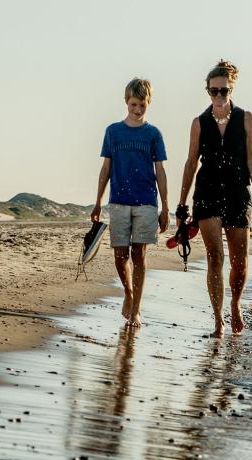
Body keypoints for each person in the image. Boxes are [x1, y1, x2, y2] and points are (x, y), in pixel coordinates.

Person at [177, 60, 252, 338]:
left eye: (223, 91)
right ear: (207, 91)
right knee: (215, 257)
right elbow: (191, 162)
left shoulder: (246, 118)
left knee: (240, 260)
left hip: (239, 190)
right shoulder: (199, 123)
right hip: (208, 191)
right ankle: (218, 319)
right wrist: (181, 203)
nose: (218, 96)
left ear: (231, 89)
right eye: (213, 91)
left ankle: (235, 304)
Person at [91, 78, 169, 328]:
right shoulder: (113, 131)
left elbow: (161, 172)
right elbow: (105, 169)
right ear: (126, 101)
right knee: (119, 255)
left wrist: (165, 206)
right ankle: (128, 292)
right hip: (119, 202)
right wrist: (97, 202)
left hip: (146, 202)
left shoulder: (153, 134)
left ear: (148, 104)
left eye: (142, 106)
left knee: (139, 254)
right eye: (134, 104)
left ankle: (136, 310)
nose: (137, 110)